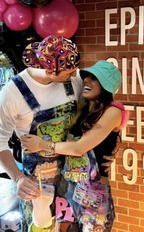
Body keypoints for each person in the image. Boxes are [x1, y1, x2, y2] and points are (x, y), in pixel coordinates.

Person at [20, 60, 128, 232]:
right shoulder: (83, 108)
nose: (86, 81)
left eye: (94, 78)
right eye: (87, 77)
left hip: (93, 193)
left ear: (107, 85)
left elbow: (79, 148)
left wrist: (42, 144)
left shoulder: (113, 111)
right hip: (69, 187)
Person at [0, 35, 82, 232]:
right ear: (49, 70)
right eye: (69, 71)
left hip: (74, 174)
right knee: (40, 226)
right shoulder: (14, 93)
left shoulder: (74, 80)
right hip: (36, 182)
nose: (74, 74)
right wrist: (18, 178)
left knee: (71, 227)